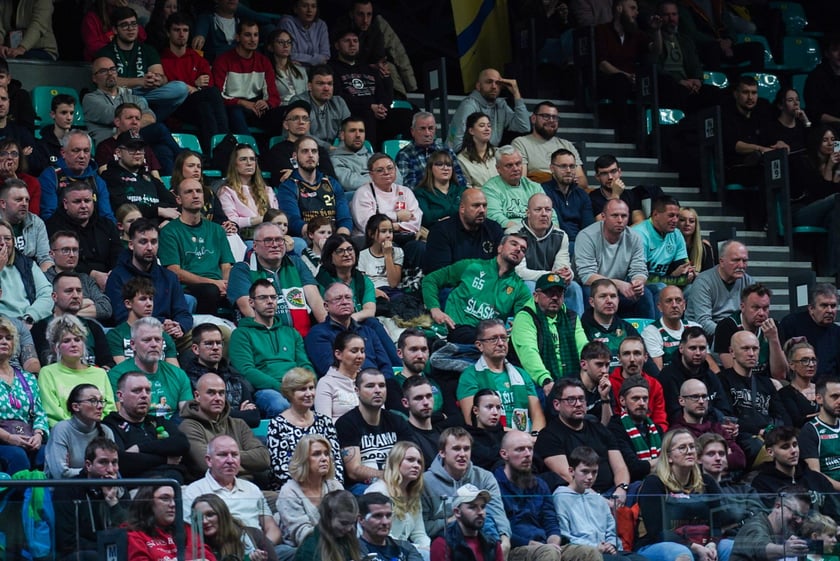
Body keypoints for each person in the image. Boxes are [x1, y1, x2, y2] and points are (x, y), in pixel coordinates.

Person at [635, 428, 734, 561]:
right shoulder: (654, 483)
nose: (689, 451)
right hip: (658, 544)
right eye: (682, 447)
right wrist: (694, 547)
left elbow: (716, 523)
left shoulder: (707, 482)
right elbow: (656, 531)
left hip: (702, 541)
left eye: (692, 447)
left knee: (731, 548)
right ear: (669, 457)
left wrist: (712, 543)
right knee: (682, 553)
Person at [182, 435, 287, 559]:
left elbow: (272, 528)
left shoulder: (252, 489)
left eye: (235, 455)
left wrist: (260, 549)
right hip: (222, 552)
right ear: (209, 460)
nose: (230, 460)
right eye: (223, 455)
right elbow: (192, 535)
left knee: (292, 552)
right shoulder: (194, 491)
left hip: (259, 547)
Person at [495, 430, 587, 561]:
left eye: (530, 449)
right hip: (515, 548)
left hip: (544, 546)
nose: (527, 454)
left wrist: (553, 542)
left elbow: (551, 521)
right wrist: (532, 544)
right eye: (520, 449)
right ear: (504, 454)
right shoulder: (494, 484)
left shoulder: (540, 485)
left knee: (587, 552)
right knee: (548, 552)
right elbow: (497, 530)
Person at [422, 233, 531, 344]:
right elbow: (430, 280)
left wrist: (519, 325)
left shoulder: (520, 288)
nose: (518, 249)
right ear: (500, 248)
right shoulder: (471, 267)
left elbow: (525, 315)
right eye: (514, 244)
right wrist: (434, 308)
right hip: (457, 328)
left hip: (488, 338)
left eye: (523, 250)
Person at [229, 279, 313, 418]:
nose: (270, 302)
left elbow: (304, 364)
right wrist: (282, 388)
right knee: (279, 404)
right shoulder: (241, 334)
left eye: (273, 297)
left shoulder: (291, 332)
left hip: (297, 386)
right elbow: (246, 370)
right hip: (266, 390)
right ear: (251, 302)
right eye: (263, 297)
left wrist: (310, 384)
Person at [536, 379, 631, 497]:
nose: (578, 404)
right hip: (578, 496)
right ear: (557, 404)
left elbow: (620, 467)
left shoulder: (599, 428)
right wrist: (599, 500)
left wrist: (621, 489)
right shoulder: (548, 436)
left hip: (614, 492)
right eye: (571, 400)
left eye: (581, 399)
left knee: (644, 486)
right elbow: (568, 477)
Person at [83, 59, 181, 175]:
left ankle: (172, 184)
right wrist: (136, 121)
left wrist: (130, 123)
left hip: (136, 142)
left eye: (113, 69)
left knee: (163, 150)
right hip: (112, 145)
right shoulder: (90, 99)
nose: (110, 73)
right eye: (103, 71)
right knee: (158, 129)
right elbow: (114, 117)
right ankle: (184, 157)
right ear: (94, 78)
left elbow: (150, 117)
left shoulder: (132, 96)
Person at [421, 427, 511, 550]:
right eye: (456, 448)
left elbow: (497, 514)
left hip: (481, 541)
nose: (462, 454)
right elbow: (423, 527)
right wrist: (453, 520)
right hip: (443, 544)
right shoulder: (425, 482)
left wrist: (505, 539)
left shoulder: (485, 477)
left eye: (466, 449)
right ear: (442, 453)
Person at [554, 446, 644, 560]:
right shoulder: (561, 497)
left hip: (606, 550)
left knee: (640, 559)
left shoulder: (598, 499)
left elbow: (611, 529)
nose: (590, 477)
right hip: (582, 551)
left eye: (594, 472)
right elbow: (565, 536)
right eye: (584, 471)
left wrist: (611, 544)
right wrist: (595, 547)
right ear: (571, 471)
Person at [177, 372, 270, 483]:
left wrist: (222, 457)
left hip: (247, 486)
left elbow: (264, 458)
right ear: (197, 396)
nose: (218, 398)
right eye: (211, 393)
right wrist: (249, 466)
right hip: (210, 489)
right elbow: (208, 466)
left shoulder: (239, 424)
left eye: (221, 393)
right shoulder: (189, 427)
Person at [159, 177, 234, 315]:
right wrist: (213, 283)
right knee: (210, 291)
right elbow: (175, 272)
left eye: (199, 191)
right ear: (179, 199)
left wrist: (226, 284)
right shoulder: (169, 231)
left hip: (218, 286)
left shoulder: (217, 230)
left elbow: (226, 266)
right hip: (188, 287)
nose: (195, 195)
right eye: (189, 192)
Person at [106, 218, 193, 337]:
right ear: (131, 245)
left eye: (154, 242)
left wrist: (179, 327)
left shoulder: (169, 277)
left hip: (170, 334)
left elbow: (183, 313)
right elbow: (121, 317)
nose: (150, 247)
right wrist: (159, 324)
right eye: (143, 242)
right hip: (135, 335)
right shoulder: (117, 277)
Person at [458, 319, 546, 433]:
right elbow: (473, 421)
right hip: (489, 438)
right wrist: (517, 437)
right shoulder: (470, 376)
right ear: (479, 345)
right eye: (493, 339)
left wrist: (534, 436)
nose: (500, 343)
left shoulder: (521, 374)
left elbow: (538, 416)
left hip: (526, 440)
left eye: (504, 338)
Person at [159, 12, 229, 152]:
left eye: (185, 30)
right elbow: (166, 90)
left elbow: (209, 84)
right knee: (210, 96)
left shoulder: (197, 58)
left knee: (205, 107)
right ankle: (226, 142)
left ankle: (215, 152)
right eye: (176, 30)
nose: (181, 34)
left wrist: (193, 88)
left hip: (196, 107)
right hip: (175, 108)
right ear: (168, 33)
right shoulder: (161, 60)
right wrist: (193, 85)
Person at [335, 368, 413, 491]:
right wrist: (389, 477)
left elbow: (410, 458)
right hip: (361, 488)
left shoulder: (397, 421)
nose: (377, 390)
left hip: (397, 482)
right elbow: (354, 471)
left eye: (381, 386)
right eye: (370, 386)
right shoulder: (346, 423)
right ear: (357, 391)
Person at [102, 371, 189, 481]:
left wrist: (140, 448)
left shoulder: (157, 421)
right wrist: (165, 460)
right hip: (139, 486)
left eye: (148, 390)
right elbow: (123, 460)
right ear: (120, 396)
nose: (144, 395)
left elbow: (182, 443)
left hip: (176, 483)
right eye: (137, 391)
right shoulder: (110, 425)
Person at [575, 198, 654, 318]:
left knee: (645, 294)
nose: (620, 220)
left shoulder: (635, 237)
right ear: (603, 217)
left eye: (624, 216)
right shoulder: (586, 236)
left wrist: (638, 282)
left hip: (621, 286)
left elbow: (639, 269)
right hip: (591, 286)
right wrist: (617, 284)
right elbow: (587, 276)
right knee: (589, 292)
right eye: (615, 215)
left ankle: (647, 329)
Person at [720, 331, 789, 467]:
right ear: (732, 352)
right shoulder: (722, 380)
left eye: (755, 349)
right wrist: (758, 431)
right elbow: (727, 417)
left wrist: (770, 430)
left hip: (771, 436)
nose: (751, 353)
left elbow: (782, 415)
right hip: (744, 439)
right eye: (745, 349)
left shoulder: (766, 382)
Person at [53, 437, 129, 561]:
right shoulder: (67, 489)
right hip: (80, 556)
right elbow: (67, 542)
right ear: (88, 465)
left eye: (114, 463)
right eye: (103, 462)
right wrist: (105, 549)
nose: (110, 470)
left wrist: (113, 502)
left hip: (113, 553)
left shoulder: (120, 490)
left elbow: (131, 534)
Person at [268, 368, 343, 489]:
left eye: (311, 388)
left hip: (326, 486)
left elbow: (336, 461)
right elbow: (280, 468)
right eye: (303, 389)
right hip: (293, 488)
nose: (309, 394)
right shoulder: (278, 424)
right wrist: (309, 488)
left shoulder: (325, 421)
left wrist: (333, 486)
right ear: (290, 393)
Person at [36, 314, 115, 427]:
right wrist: (79, 430)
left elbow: (110, 410)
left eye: (77, 340)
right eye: (66, 341)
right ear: (55, 348)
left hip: (100, 431)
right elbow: (52, 413)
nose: (73, 344)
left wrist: (95, 429)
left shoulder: (100, 373)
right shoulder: (47, 373)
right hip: (64, 432)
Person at [330, 26, 403, 147]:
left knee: (406, 115)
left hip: (377, 115)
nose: (352, 44)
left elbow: (384, 94)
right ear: (337, 45)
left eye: (355, 41)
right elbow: (339, 96)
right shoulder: (332, 68)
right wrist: (369, 107)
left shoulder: (369, 69)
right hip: (353, 114)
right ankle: (370, 153)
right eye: (347, 41)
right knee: (367, 116)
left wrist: (382, 107)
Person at [107, 317, 193, 419]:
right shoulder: (116, 376)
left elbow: (188, 415)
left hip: (172, 426)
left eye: (158, 340)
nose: (154, 345)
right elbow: (120, 417)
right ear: (133, 345)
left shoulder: (178, 374)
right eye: (147, 340)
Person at [594, 0, 655, 142]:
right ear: (619, 9)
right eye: (632, 8)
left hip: (632, 81)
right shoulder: (602, 30)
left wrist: (656, 31)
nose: (636, 13)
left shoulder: (636, 34)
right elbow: (602, 64)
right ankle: (624, 131)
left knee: (656, 80)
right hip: (608, 80)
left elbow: (655, 49)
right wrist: (626, 76)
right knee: (619, 81)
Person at [305, 282, 394, 377]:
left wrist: (383, 382)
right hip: (343, 384)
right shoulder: (318, 334)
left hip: (377, 382)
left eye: (348, 298)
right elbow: (329, 369)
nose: (344, 302)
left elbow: (386, 366)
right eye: (338, 298)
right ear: (326, 306)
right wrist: (365, 381)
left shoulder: (368, 331)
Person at [751, 426, 840, 520]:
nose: (793, 451)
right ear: (770, 452)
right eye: (785, 447)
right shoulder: (762, 484)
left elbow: (836, 511)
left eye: (795, 445)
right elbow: (774, 520)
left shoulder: (816, 478)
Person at [212, 19, 284, 135]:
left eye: (256, 35)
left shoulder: (263, 62)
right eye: (247, 35)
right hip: (233, 106)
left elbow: (274, 96)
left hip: (256, 107)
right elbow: (218, 96)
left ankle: (277, 146)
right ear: (237, 37)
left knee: (284, 113)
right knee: (235, 112)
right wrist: (241, 102)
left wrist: (267, 103)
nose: (253, 39)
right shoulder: (223, 61)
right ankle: (248, 146)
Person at [44, 195, 121, 302]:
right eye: (77, 201)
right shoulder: (43, 279)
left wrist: (113, 274)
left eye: (87, 201)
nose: (83, 206)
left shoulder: (106, 224)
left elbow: (105, 306)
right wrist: (84, 304)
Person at [276, 136, 353, 238]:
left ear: (318, 156)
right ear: (295, 156)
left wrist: (341, 238)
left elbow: (345, 219)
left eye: (314, 151)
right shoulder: (288, 187)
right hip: (307, 237)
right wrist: (318, 236)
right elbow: (293, 221)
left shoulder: (332, 183)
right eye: (305, 151)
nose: (310, 155)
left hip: (334, 237)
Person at [0, 316, 47, 474]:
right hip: (3, 440)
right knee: (17, 456)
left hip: (27, 436)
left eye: (8, 338)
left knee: (46, 453)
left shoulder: (28, 378)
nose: (4, 342)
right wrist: (8, 438)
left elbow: (40, 413)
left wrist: (38, 435)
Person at [366, 441, 431, 555]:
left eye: (419, 462)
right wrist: (417, 549)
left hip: (403, 551)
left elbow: (419, 533)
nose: (416, 465)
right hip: (379, 552)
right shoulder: (378, 491)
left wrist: (428, 548)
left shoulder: (413, 494)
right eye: (410, 460)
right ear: (395, 462)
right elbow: (381, 536)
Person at [100, 131, 178, 224]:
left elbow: (173, 204)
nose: (137, 152)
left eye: (140, 149)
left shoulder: (150, 178)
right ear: (118, 152)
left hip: (159, 228)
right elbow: (122, 207)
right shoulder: (109, 177)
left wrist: (166, 221)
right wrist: (158, 210)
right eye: (131, 148)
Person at [669, 379, 745, 473]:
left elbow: (740, 459)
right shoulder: (676, 433)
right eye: (695, 397)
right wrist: (724, 458)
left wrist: (705, 460)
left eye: (704, 397)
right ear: (681, 401)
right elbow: (686, 466)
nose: (701, 401)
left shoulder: (717, 428)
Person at [38, 129, 115, 222]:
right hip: (61, 229)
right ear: (63, 153)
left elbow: (107, 217)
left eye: (86, 151)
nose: (82, 156)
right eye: (76, 150)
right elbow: (49, 215)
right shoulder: (50, 176)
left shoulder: (97, 180)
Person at [714, 284, 786, 380]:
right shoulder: (727, 326)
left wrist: (773, 339)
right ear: (743, 307)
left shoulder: (773, 327)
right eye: (755, 308)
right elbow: (733, 372)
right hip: (738, 382)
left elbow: (780, 375)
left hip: (767, 381)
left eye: (765, 308)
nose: (761, 313)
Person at [422, 187, 503, 274]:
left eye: (484, 205)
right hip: (453, 281)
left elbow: (502, 265)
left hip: (488, 279)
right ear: (462, 208)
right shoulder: (441, 231)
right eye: (476, 206)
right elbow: (441, 273)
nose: (482, 210)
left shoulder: (493, 228)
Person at [127, 484, 216, 561]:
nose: (173, 504)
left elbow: (207, 557)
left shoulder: (185, 528)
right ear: (147, 502)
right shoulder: (133, 533)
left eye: (175, 499)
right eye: (165, 498)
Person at [44, 383, 115, 479]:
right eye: (93, 400)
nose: (100, 406)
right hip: (67, 487)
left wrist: (78, 471)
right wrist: (96, 471)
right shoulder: (61, 429)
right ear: (76, 406)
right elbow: (61, 474)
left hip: (101, 487)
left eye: (101, 401)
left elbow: (113, 471)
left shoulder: (106, 431)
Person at [448, 68, 530, 150]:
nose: (494, 86)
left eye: (498, 83)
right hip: (468, 155)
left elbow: (524, 126)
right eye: (489, 82)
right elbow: (455, 145)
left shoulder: (501, 105)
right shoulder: (469, 105)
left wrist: (516, 92)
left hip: (489, 154)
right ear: (478, 86)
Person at [685, 240, 754, 337]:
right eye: (735, 260)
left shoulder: (748, 282)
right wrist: (734, 336)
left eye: (745, 261)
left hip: (737, 333)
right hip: (704, 336)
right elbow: (703, 322)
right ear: (721, 262)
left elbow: (754, 314)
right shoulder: (703, 282)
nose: (741, 265)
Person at [262, 99, 337, 187]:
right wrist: (316, 174)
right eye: (295, 118)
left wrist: (296, 173)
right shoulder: (278, 151)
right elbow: (286, 179)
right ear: (286, 125)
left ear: (309, 125)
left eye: (305, 118)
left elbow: (331, 178)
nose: (301, 122)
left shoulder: (319, 150)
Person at [659, 328, 730, 421]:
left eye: (702, 348)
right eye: (692, 348)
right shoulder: (667, 377)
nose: (698, 353)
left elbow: (725, 411)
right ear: (681, 348)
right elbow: (674, 415)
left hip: (713, 427)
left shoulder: (710, 376)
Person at [512, 101, 588, 186]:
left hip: (568, 190)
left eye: (555, 117)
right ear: (533, 119)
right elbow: (521, 181)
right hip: (539, 191)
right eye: (546, 116)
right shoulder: (521, 143)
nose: (551, 120)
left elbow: (582, 181)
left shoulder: (567, 145)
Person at [107, 277, 179, 366]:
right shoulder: (116, 335)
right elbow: (121, 369)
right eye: (143, 299)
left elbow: (175, 371)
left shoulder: (163, 336)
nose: (149, 304)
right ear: (128, 303)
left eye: (151, 299)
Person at [729, 486, 812, 561]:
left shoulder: (790, 533)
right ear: (778, 507)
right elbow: (761, 548)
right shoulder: (754, 527)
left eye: (803, 517)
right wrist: (784, 550)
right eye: (795, 514)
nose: (799, 520)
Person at [482, 145, 553, 231]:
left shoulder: (534, 187)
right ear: (498, 168)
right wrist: (523, 231)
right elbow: (494, 216)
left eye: (518, 164)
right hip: (508, 232)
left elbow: (551, 213)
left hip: (537, 231)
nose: (515, 168)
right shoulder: (490, 188)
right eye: (509, 165)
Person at [350, 152, 422, 237]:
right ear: (371, 175)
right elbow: (368, 225)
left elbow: (416, 221)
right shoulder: (363, 193)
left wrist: (394, 227)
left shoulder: (405, 191)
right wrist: (396, 216)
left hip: (404, 237)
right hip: (373, 240)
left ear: (395, 170)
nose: (386, 172)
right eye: (380, 170)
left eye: (390, 168)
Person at [780, 283, 840, 383]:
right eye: (824, 305)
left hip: (828, 387)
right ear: (811, 308)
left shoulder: (837, 333)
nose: (830, 310)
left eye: (833, 306)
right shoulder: (791, 323)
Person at [607, 375, 663, 481]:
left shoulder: (657, 429)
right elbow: (634, 468)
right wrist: (663, 461)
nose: (641, 403)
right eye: (635, 398)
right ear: (622, 401)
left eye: (645, 398)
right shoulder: (616, 428)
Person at [631, 195, 696, 287]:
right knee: (660, 287)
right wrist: (674, 278)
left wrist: (688, 273)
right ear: (655, 215)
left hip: (665, 282)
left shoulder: (676, 234)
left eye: (677, 216)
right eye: (671, 215)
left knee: (692, 288)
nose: (675, 220)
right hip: (638, 285)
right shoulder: (639, 234)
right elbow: (641, 278)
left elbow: (684, 267)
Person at [217, 144, 278, 239]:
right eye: (243, 159)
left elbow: (276, 216)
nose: (249, 163)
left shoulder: (267, 190)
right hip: (245, 237)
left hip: (271, 235)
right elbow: (231, 220)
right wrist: (260, 219)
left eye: (252, 159)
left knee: (297, 242)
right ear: (235, 164)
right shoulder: (226, 191)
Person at [192, 494, 278, 561]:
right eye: (198, 517)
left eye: (210, 515)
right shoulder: (195, 545)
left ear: (223, 514)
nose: (204, 521)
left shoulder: (253, 534)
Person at [395, 111, 467, 191]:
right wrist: (438, 188)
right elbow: (408, 186)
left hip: (450, 195)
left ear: (435, 130)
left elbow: (461, 180)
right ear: (413, 131)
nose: (427, 133)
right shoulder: (404, 155)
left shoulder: (447, 151)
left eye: (430, 128)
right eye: (422, 128)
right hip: (421, 197)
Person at [608, 337, 668, 431]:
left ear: (645, 357)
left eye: (637, 353)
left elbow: (660, 421)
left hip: (650, 434)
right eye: (626, 354)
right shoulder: (609, 384)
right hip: (619, 434)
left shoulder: (655, 385)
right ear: (619, 358)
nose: (632, 359)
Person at [0, 218, 51, 324]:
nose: (3, 243)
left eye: (7, 239)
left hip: (26, 321)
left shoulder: (27, 264)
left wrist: (30, 317)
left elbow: (47, 294)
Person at [541, 148, 594, 251]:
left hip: (582, 244)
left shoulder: (582, 195)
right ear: (552, 168)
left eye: (572, 166)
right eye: (563, 166)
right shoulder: (543, 191)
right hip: (556, 243)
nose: (569, 170)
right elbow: (556, 226)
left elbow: (589, 227)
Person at [579, 278, 640, 366]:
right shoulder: (581, 329)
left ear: (618, 300)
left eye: (613, 296)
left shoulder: (627, 328)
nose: (609, 301)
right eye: (603, 296)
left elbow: (646, 361)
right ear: (592, 302)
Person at [642, 286, 704, 370]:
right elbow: (659, 371)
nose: (674, 305)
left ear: (684, 305)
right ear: (659, 307)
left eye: (678, 300)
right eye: (669, 301)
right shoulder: (651, 331)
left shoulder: (695, 327)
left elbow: (708, 361)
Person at [289, 65, 350, 150]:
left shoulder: (339, 102)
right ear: (310, 86)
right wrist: (328, 147)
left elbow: (348, 131)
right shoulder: (298, 102)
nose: (326, 88)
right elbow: (302, 135)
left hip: (336, 151)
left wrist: (341, 148)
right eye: (320, 84)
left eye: (329, 84)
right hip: (306, 150)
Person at [0, 168, 49, 270]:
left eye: (27, 200)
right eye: (18, 200)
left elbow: (45, 258)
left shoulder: (36, 223)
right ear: (3, 203)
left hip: (30, 273)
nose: (24, 204)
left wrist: (43, 278)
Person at [294, 490, 362, 561]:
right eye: (344, 523)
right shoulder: (309, 549)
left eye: (353, 523)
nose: (349, 529)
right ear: (328, 518)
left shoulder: (348, 538)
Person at [800, 377, 840, 492]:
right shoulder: (810, 430)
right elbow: (815, 475)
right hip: (830, 495)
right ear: (819, 399)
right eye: (835, 396)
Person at [357, 492, 424, 561]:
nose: (385, 522)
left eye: (388, 515)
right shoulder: (354, 552)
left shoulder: (405, 548)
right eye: (378, 516)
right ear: (361, 519)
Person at [414, 150, 466, 229]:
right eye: (439, 164)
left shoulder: (463, 191)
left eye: (449, 165)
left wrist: (438, 214)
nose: (445, 168)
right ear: (430, 169)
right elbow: (427, 218)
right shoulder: (421, 193)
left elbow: (471, 214)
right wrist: (457, 210)